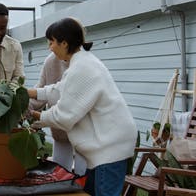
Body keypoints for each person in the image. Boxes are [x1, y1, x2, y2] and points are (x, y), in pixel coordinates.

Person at [27, 18, 137, 196]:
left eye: (51, 42)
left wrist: (36, 116)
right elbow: (58, 90)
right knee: (87, 191)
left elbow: (64, 116)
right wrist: (28, 93)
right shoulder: (82, 62)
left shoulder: (82, 68)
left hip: (109, 148)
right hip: (107, 145)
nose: (50, 47)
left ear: (64, 43)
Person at [28, 52, 87, 175]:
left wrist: (39, 116)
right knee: (60, 172)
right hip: (60, 128)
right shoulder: (51, 61)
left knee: (83, 174)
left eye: (52, 41)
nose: (50, 46)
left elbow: (57, 92)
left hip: (84, 130)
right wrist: (25, 105)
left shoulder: (84, 61)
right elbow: (44, 89)